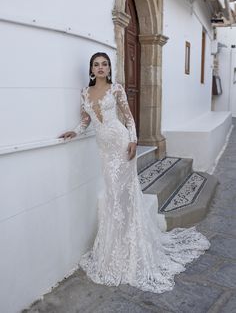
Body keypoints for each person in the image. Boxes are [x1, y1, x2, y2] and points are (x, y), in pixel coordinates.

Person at [59, 52, 210, 293]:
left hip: (120, 146)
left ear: (109, 69)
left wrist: (133, 142)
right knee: (113, 196)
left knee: (122, 196)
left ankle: (131, 248)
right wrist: (74, 132)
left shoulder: (116, 88)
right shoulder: (84, 93)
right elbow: (86, 120)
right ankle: (116, 248)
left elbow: (129, 120)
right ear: (91, 69)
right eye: (96, 64)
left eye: (104, 64)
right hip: (105, 152)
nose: (100, 68)